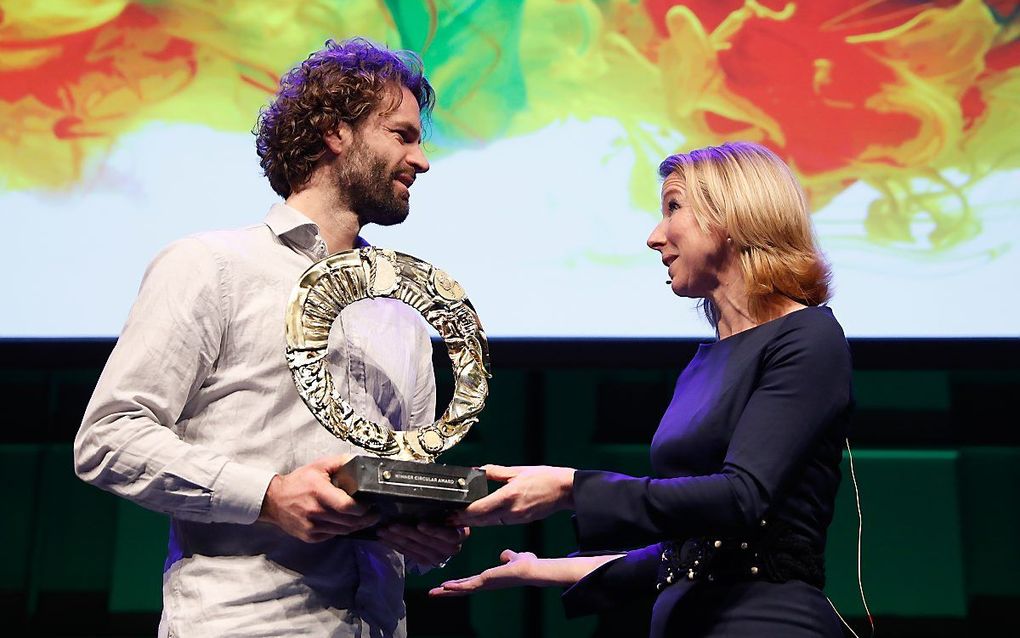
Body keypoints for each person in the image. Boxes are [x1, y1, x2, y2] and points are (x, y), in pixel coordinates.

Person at [75, 38, 468, 638]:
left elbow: (399, 485)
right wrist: (268, 495)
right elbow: (107, 439)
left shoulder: (404, 312)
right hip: (244, 621)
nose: (421, 160)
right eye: (402, 135)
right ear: (337, 133)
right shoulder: (212, 265)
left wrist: (424, 530)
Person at [431, 141, 854, 637]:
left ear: (733, 216)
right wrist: (541, 569)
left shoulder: (808, 337)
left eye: (673, 207)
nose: (655, 236)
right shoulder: (706, 362)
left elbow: (742, 498)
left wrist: (570, 487)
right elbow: (694, 553)